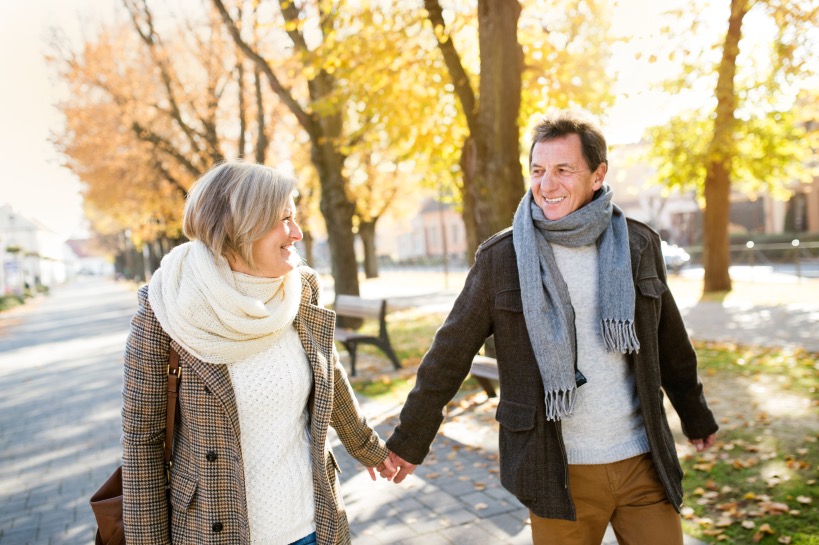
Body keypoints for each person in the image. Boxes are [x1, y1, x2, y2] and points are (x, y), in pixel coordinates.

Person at [382, 110, 718, 545]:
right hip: (557, 471)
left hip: (642, 461)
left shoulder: (637, 245)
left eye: (563, 170)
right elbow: (449, 354)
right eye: (539, 170)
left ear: (598, 175)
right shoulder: (502, 259)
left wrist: (695, 415)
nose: (547, 184)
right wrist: (410, 440)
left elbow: (670, 342)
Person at [121, 161, 394, 545]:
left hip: (312, 526)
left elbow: (327, 373)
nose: (297, 233)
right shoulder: (167, 304)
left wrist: (369, 448)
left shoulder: (300, 288)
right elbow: (141, 443)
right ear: (238, 226)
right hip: (214, 532)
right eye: (284, 219)